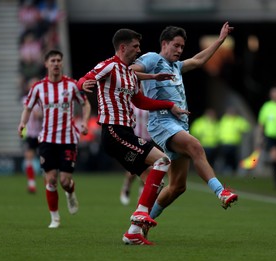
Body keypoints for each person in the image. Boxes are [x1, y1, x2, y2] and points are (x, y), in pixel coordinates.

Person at [77, 28, 189, 245]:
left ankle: (133, 232)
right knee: (162, 160)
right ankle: (139, 215)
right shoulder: (109, 65)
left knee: (152, 179)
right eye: (136, 46)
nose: (139, 50)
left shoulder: (129, 73)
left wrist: (169, 105)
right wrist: (83, 84)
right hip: (113, 130)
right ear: (123, 47)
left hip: (125, 132)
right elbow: (84, 78)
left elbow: (140, 102)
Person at [130, 22, 238, 234]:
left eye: (182, 47)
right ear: (164, 43)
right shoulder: (152, 58)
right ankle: (221, 192)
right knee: (195, 146)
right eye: (176, 46)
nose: (179, 50)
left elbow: (198, 60)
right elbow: (130, 70)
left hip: (178, 126)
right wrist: (150, 77)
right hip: (161, 123)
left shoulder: (176, 66)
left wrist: (220, 40)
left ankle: (139, 225)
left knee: (178, 186)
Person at [17, 50, 91, 228]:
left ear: (62, 64)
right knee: (50, 180)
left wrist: (85, 122)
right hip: (47, 140)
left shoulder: (72, 85)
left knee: (64, 181)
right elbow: (28, 107)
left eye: (59, 60)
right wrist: (22, 124)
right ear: (46, 64)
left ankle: (70, 193)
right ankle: (55, 218)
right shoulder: (38, 87)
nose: (56, 63)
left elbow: (85, 103)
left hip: (68, 139)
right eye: (53, 60)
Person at [120, 105, 152, 206]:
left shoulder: (149, 102)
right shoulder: (131, 103)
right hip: (134, 138)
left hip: (147, 139)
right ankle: (126, 186)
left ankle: (141, 194)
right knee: (132, 169)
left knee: (147, 168)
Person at [21, 77, 43, 193]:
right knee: (29, 157)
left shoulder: (43, 99)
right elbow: (34, 114)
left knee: (45, 159)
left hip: (42, 133)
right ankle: (31, 184)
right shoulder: (27, 99)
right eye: (31, 84)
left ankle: (46, 183)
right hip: (32, 133)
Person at [217, 106, 251, 175]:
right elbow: (219, 129)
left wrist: (241, 129)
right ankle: (226, 170)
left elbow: (247, 127)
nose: (230, 113)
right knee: (225, 157)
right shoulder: (224, 119)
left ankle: (233, 171)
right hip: (225, 142)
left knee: (234, 158)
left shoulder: (239, 120)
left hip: (234, 143)